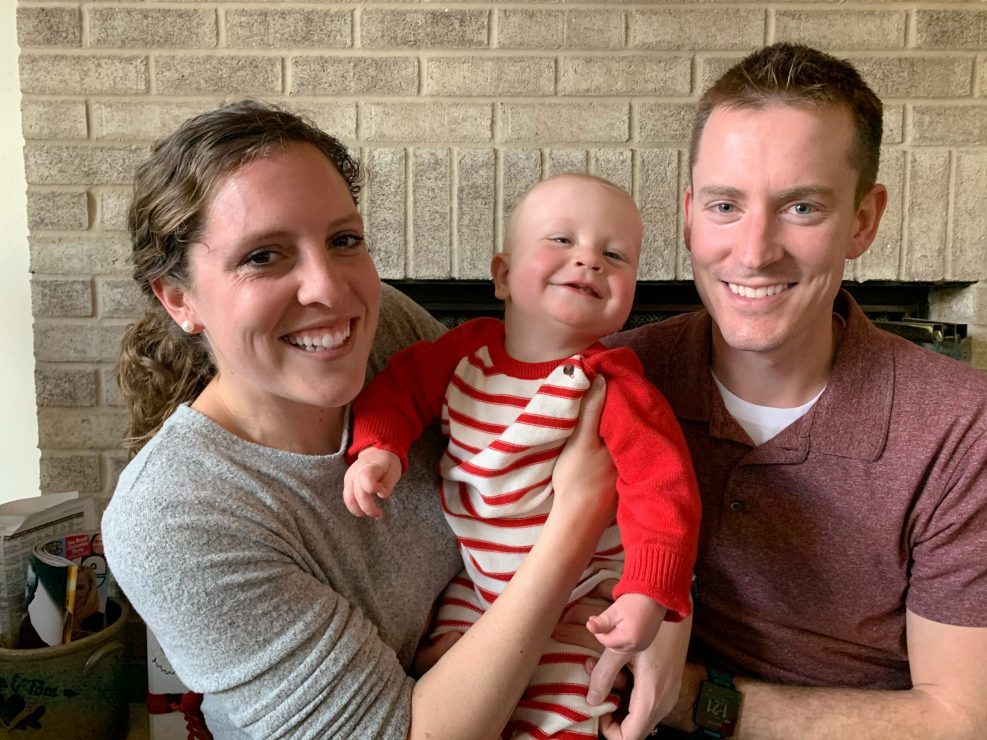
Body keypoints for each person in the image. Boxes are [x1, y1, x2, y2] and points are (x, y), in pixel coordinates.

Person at [101, 100, 645, 739]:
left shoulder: (384, 327)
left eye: (343, 241)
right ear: (179, 299)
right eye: (263, 256)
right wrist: (577, 518)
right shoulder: (174, 519)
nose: (329, 290)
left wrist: (663, 625)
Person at [606, 43, 987, 737]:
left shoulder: (960, 427)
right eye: (725, 205)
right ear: (689, 213)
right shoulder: (615, 379)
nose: (753, 252)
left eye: (801, 207)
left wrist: (690, 697)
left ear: (862, 221)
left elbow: (958, 717)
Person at [344, 174, 701, 737]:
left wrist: (648, 594)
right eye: (561, 241)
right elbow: (397, 389)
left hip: (582, 595)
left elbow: (664, 492)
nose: (588, 261)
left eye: (614, 254)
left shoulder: (613, 386)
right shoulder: (460, 354)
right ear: (503, 275)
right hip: (477, 580)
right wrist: (378, 448)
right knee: (442, 672)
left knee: (568, 707)